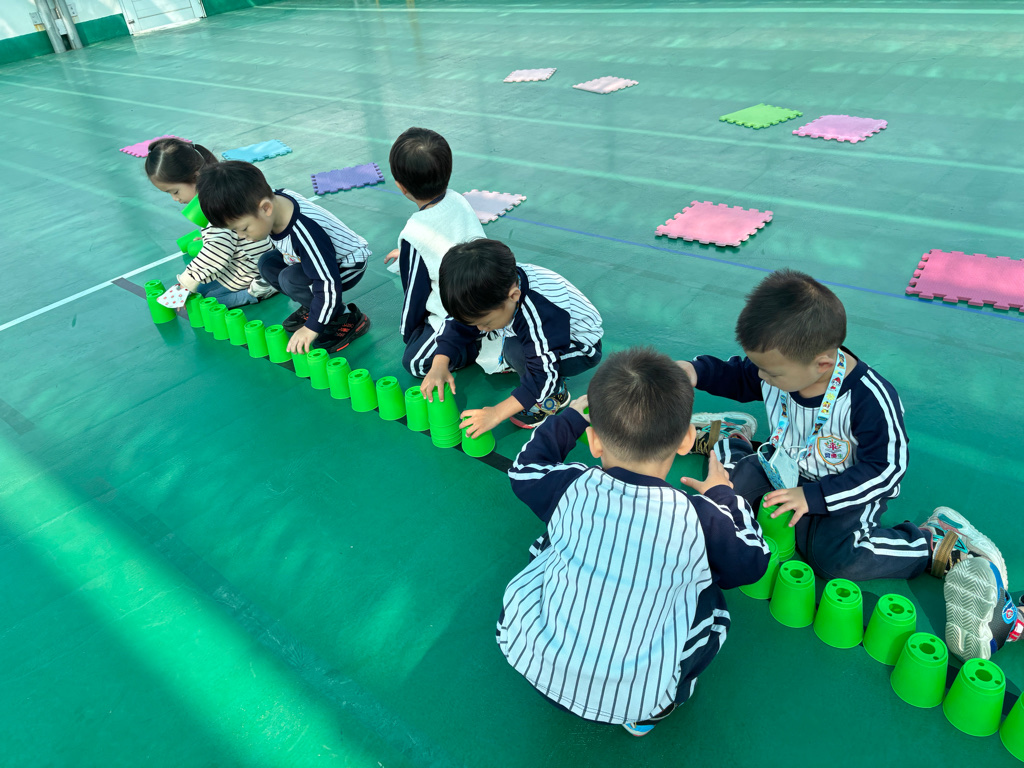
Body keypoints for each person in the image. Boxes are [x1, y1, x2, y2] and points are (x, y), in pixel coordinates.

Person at [677, 268, 1017, 660]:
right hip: (782, 467)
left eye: (770, 371)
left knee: (835, 559)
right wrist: (694, 370)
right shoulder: (780, 367)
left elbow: (886, 469)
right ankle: (733, 439)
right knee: (727, 502)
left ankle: (932, 543)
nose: (761, 376)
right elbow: (740, 375)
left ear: (822, 364)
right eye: (760, 367)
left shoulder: (869, 399)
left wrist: (814, 497)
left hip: (846, 489)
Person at [497, 347, 770, 736]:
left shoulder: (572, 484)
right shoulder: (698, 517)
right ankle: (652, 712)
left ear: (594, 443)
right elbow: (752, 561)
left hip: (532, 659)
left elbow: (525, 469)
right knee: (713, 604)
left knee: (548, 542)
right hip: (632, 698)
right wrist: (722, 494)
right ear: (686, 440)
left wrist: (572, 416)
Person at [421, 239, 603, 431]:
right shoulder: (495, 288)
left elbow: (541, 375)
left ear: (514, 296)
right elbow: (458, 324)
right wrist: (439, 363)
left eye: (486, 323)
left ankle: (556, 393)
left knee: (518, 353)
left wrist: (496, 413)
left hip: (580, 347)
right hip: (549, 334)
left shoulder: (537, 312)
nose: (481, 329)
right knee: (513, 349)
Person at [196, 161, 371, 354]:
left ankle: (344, 317)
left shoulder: (305, 233)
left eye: (243, 228)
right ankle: (313, 306)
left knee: (291, 279)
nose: (240, 236)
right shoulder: (269, 201)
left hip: (347, 265)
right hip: (316, 260)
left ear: (266, 208)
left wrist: (312, 327)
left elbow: (327, 282)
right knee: (267, 264)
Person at [382, 127, 485, 376]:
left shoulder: (414, 233)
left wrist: (409, 334)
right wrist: (409, 255)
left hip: (458, 315)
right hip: (486, 294)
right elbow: (453, 240)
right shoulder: (458, 199)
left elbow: (415, 296)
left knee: (415, 361)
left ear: (401, 186)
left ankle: (476, 348)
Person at [145, 138, 275, 308]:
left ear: (196, 177)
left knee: (209, 300)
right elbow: (224, 237)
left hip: (256, 270)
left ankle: (256, 292)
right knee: (202, 288)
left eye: (175, 191)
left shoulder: (215, 208)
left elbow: (216, 254)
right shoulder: (219, 191)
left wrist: (184, 284)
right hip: (254, 259)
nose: (175, 199)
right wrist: (209, 238)